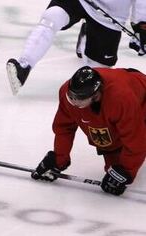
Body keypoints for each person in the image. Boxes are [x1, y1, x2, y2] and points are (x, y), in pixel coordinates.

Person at [31, 66, 146, 195]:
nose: (73, 101)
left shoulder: (121, 98)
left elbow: (135, 139)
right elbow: (64, 127)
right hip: (119, 98)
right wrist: (58, 159)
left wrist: (126, 171)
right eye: (71, 96)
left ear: (95, 96)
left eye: (78, 98)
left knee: (124, 161)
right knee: (111, 163)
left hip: (142, 97)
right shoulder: (66, 93)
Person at [6, 0, 146, 95]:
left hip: (109, 17)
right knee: (52, 17)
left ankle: (87, 34)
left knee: (97, 78)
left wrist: (142, 27)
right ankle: (24, 66)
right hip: (79, 2)